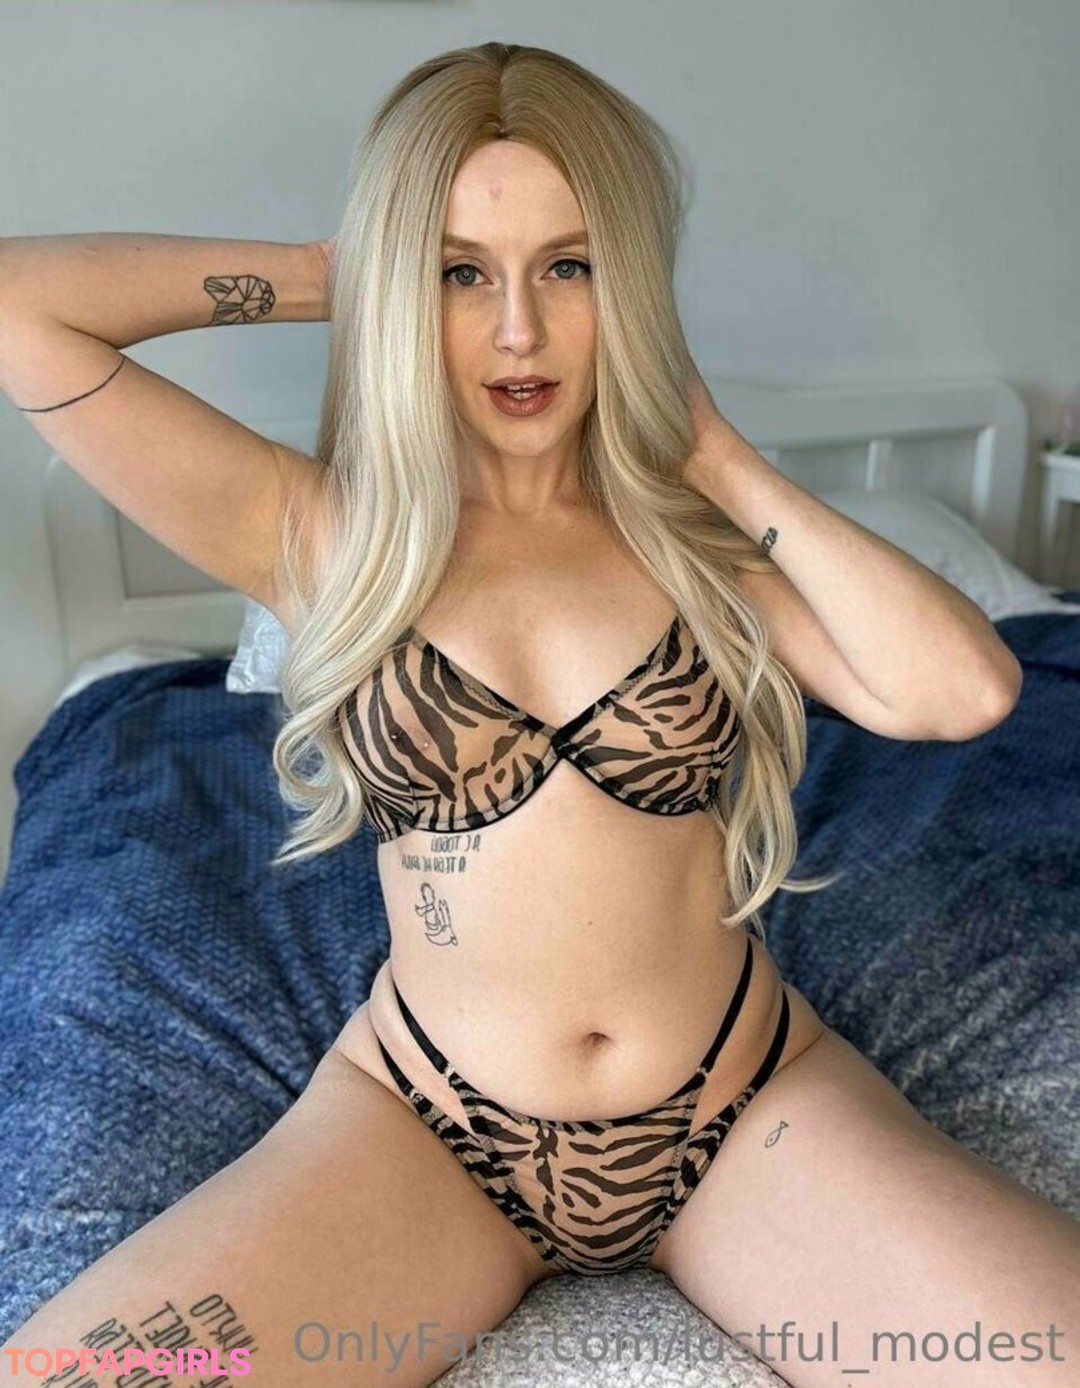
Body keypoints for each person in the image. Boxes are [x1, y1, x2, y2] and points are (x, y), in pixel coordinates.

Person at [1, 38, 1076, 1388]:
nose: (518, 330)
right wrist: (354, 271)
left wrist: (718, 454)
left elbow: (967, 690)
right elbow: (21, 304)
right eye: (464, 273)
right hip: (427, 1133)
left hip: (744, 1112)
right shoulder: (326, 534)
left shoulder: (701, 546)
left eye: (569, 267)